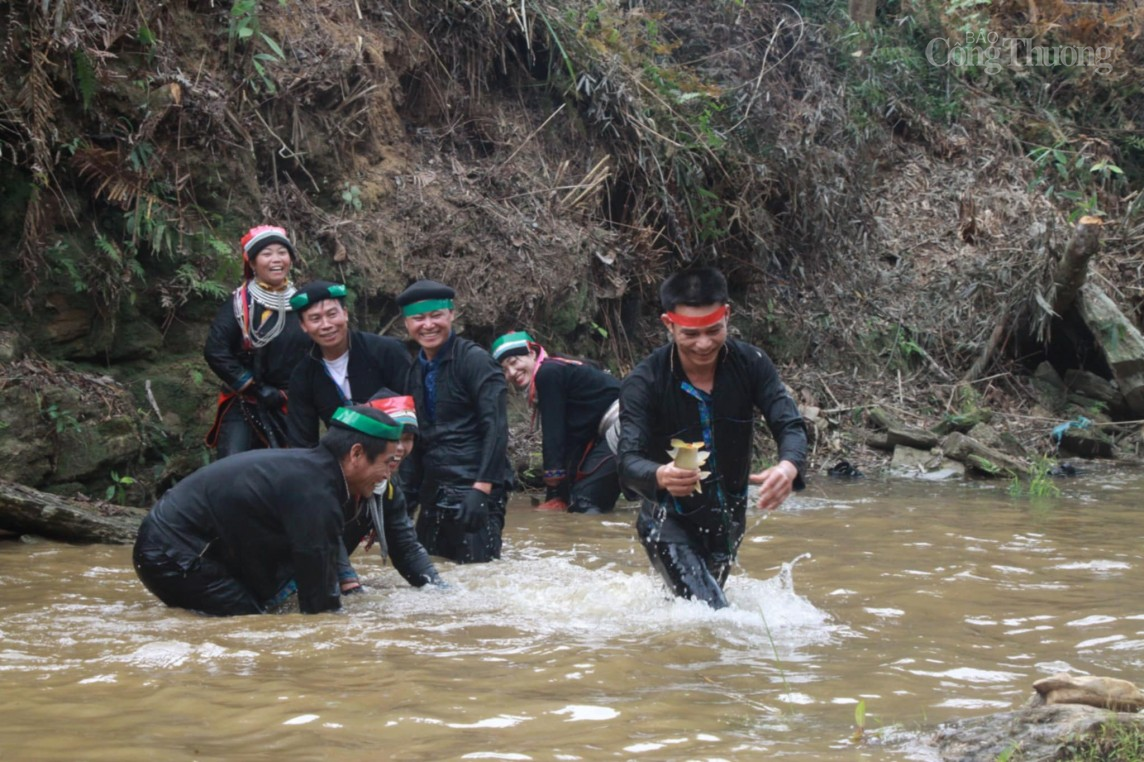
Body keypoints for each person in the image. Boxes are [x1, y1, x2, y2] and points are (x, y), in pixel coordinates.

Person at [616, 267, 808, 609]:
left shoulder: (752, 364)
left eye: (714, 330)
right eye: (690, 333)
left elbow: (789, 423)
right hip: (667, 521)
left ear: (727, 317)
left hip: (728, 519)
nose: (704, 344)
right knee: (714, 614)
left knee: (697, 617)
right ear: (668, 324)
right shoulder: (644, 381)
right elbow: (628, 462)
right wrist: (661, 475)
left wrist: (788, 466)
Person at [133, 405, 406, 616]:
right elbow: (319, 604)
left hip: (180, 547)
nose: (386, 475)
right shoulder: (316, 494)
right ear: (356, 454)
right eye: (386, 462)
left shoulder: (313, 473)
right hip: (172, 555)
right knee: (250, 623)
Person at [396, 279, 510, 564]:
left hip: (475, 488)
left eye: (436, 315)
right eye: (418, 318)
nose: (428, 325)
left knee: (479, 576)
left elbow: (495, 427)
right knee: (429, 580)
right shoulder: (414, 372)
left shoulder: (476, 362)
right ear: (407, 324)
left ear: (451, 315)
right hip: (434, 493)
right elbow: (414, 441)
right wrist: (403, 505)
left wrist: (482, 488)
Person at [203, 225, 310, 456]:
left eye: (282, 252)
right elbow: (215, 350)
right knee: (232, 468)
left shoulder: (303, 303)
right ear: (252, 263)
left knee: (297, 469)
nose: (276, 259)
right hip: (247, 402)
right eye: (267, 253)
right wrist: (253, 386)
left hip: (292, 403)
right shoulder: (240, 305)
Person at [491, 330, 622, 514]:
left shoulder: (548, 373)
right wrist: (561, 494)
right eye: (504, 369)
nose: (512, 373)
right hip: (613, 429)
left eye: (514, 362)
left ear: (532, 353)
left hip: (626, 423)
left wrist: (554, 490)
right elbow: (574, 434)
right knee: (578, 498)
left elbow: (555, 434)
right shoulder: (556, 369)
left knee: (584, 502)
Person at [337, 391, 444, 591]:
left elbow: (406, 549)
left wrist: (439, 588)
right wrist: (350, 586)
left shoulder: (387, 489)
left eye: (408, 438)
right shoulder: (332, 476)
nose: (400, 448)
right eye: (393, 438)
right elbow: (324, 538)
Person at [285, 280, 412, 448]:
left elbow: (414, 412)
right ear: (303, 326)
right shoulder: (303, 375)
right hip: (343, 461)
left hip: (395, 451)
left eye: (332, 314)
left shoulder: (387, 352)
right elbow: (302, 442)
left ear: (345, 313)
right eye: (315, 319)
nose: (326, 325)